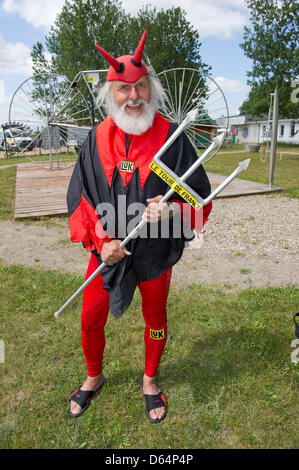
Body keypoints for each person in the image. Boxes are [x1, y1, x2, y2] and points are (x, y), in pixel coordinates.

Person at [66, 31, 212, 423]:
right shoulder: (95, 139)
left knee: (156, 319)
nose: (134, 97)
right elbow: (80, 197)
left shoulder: (174, 139)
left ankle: (150, 380)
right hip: (107, 249)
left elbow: (199, 196)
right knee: (89, 318)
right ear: (110, 94)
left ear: (152, 88)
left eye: (141, 86)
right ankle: (93, 376)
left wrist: (174, 212)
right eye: (124, 89)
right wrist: (102, 239)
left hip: (155, 250)